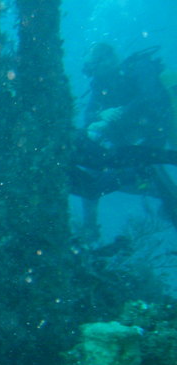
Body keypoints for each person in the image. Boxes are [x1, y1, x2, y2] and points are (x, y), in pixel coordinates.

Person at [71, 43, 177, 239]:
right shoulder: (100, 85)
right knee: (107, 167)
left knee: (150, 163)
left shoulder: (139, 67)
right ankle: (90, 227)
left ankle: (171, 202)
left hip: (163, 121)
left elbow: (152, 96)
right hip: (140, 131)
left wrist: (120, 114)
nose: (91, 73)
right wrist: (102, 116)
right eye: (89, 68)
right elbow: (89, 117)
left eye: (93, 66)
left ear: (109, 59)